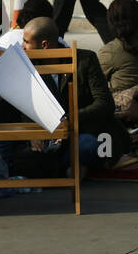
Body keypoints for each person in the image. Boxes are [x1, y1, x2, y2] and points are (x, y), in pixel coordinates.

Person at [20, 16, 128, 169]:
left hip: (87, 131)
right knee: (15, 153)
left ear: (44, 45)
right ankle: (65, 168)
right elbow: (25, 106)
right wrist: (32, 134)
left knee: (90, 146)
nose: (22, 46)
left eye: (26, 42)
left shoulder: (85, 60)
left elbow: (105, 103)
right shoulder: (29, 67)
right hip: (51, 139)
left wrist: (68, 120)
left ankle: (60, 168)